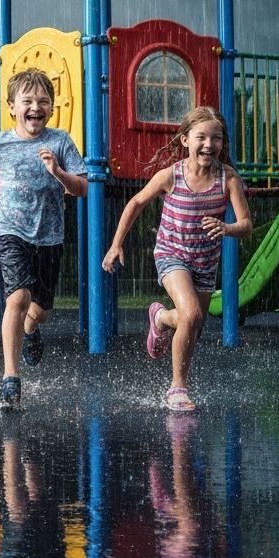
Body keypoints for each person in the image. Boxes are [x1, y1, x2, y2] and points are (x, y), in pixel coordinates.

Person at [102, 106, 252, 412]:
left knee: (192, 325)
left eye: (216, 138)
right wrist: (116, 244)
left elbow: (246, 225)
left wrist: (226, 228)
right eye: (201, 137)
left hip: (205, 262)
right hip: (171, 254)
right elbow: (136, 202)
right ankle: (177, 389)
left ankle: (160, 318)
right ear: (184, 140)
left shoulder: (229, 179)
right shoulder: (172, 175)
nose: (209, 144)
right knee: (193, 314)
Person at [0, 70, 86, 408]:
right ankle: (10, 376)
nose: (36, 107)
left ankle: (30, 329)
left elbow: (83, 188)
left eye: (43, 101)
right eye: (27, 101)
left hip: (49, 236)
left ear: (52, 108)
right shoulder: (0, 142)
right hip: (11, 232)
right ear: (12, 107)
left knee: (39, 310)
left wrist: (58, 172)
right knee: (17, 297)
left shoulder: (60, 142)